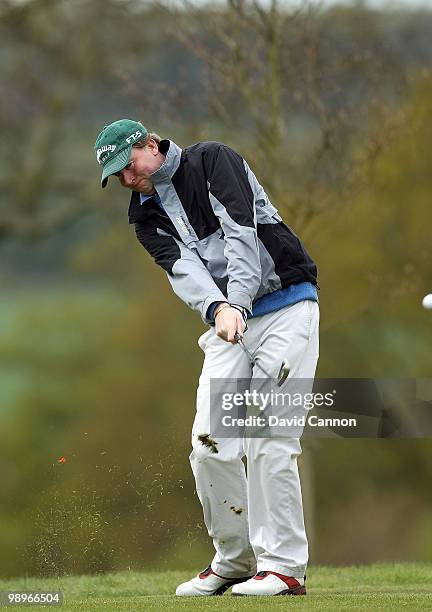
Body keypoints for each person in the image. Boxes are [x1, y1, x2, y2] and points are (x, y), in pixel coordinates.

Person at [94, 119, 320, 597]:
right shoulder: (142, 216)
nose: (127, 180)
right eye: (118, 176)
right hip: (229, 324)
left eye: (128, 166)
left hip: (286, 308)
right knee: (208, 442)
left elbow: (242, 235)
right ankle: (235, 562)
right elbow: (184, 272)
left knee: (268, 438)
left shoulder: (213, 161)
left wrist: (235, 301)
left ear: (149, 144)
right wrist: (218, 307)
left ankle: (283, 568)